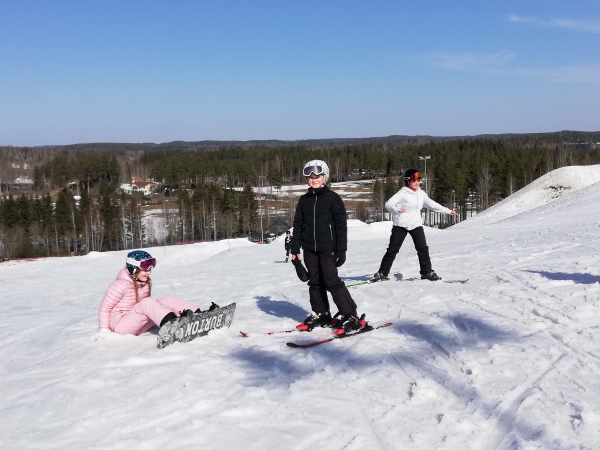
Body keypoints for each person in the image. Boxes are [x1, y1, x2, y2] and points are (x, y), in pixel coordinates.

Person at [290, 160, 367, 335]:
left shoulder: (333, 198)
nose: (313, 179)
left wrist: (341, 249)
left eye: (317, 176)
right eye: (310, 176)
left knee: (332, 282)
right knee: (315, 282)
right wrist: (295, 250)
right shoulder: (304, 201)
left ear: (324, 176)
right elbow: (298, 225)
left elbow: (341, 226)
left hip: (328, 249)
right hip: (309, 249)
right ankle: (322, 313)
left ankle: (351, 315)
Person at [98, 250, 217, 335]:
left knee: (166, 299)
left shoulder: (146, 283)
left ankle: (198, 315)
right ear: (133, 269)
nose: (149, 272)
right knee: (148, 303)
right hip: (121, 326)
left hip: (136, 323)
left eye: (150, 268)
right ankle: (171, 324)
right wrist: (104, 331)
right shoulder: (119, 285)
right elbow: (105, 309)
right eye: (145, 268)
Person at [371, 168, 458, 282]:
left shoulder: (421, 193)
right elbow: (388, 204)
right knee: (392, 250)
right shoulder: (402, 193)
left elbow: (432, 204)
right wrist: (397, 209)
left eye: (418, 180)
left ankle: (426, 272)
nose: (417, 183)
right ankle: (382, 273)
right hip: (401, 225)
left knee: (422, 248)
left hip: (416, 224)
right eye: (414, 181)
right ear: (408, 181)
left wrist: (447, 211)